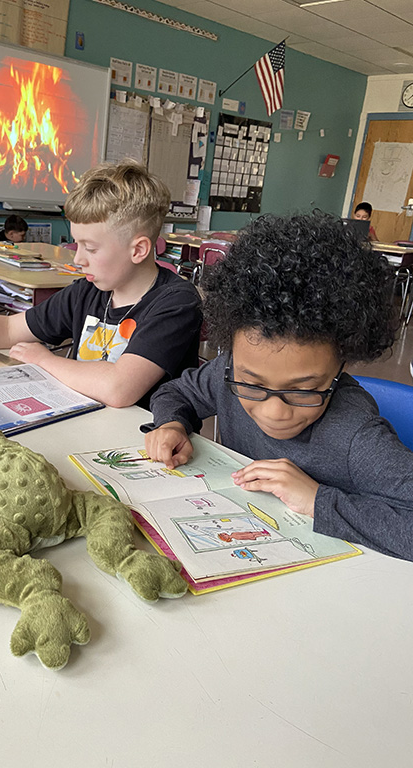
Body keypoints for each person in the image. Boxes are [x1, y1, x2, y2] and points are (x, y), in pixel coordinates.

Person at [143, 211, 413, 561]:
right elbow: (175, 392)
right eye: (252, 384)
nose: (274, 412)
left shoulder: (357, 437)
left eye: (303, 390)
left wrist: (318, 500)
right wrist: (172, 423)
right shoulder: (228, 372)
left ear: (341, 365)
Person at [0, 160, 202, 409]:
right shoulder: (90, 290)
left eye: (91, 249)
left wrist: (45, 359)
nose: (78, 260)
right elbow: (5, 329)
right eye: (76, 244)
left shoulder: (175, 302)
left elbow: (119, 388)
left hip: (142, 441)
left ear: (138, 250)